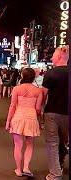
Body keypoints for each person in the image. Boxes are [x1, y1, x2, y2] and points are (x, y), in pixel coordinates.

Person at [5, 68, 43, 177]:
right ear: (33, 77)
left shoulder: (17, 89)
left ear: (22, 76)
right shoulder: (38, 91)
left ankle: (18, 169)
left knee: (18, 145)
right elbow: (38, 109)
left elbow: (12, 106)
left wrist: (8, 121)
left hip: (18, 116)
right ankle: (26, 167)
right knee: (30, 144)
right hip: (31, 117)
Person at [42, 46, 69, 180]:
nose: (51, 58)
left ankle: (55, 174)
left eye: (53, 56)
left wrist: (39, 109)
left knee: (52, 143)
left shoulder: (51, 73)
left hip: (52, 112)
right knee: (65, 142)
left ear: (58, 57)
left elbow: (43, 94)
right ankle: (60, 165)